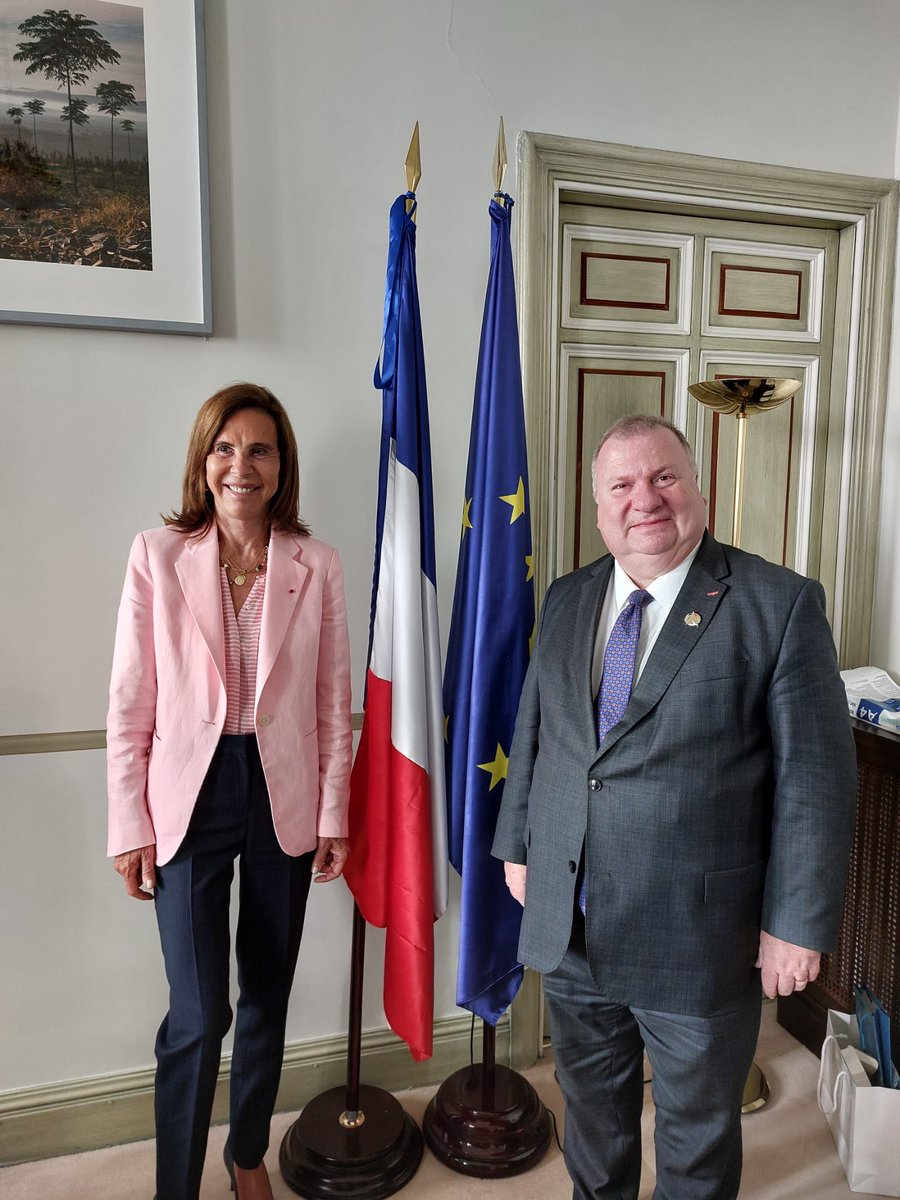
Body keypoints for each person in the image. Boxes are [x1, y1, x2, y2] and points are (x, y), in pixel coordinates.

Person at [493, 413, 856, 1200]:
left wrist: (796, 922)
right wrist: (519, 844)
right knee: (592, 1124)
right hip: (574, 922)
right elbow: (536, 732)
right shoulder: (568, 597)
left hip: (699, 935)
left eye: (663, 477)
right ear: (599, 509)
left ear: (700, 489)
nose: (644, 499)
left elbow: (816, 780)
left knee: (695, 1142)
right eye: (622, 485)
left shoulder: (778, 603)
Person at [107, 383, 353, 1200]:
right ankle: (174, 1185)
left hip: (280, 791)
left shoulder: (317, 565)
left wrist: (332, 812)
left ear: (282, 466)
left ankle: (246, 1152)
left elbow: (330, 699)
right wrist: (127, 822)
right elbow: (131, 700)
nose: (241, 465)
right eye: (225, 447)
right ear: (202, 460)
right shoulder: (157, 554)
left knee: (266, 995)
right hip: (189, 795)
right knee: (198, 1014)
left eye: (260, 449)